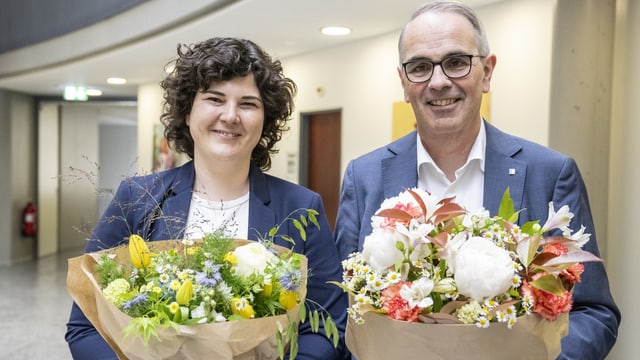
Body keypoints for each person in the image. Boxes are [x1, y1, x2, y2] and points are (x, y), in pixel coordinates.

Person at [334, 2, 620, 359]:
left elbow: (593, 312)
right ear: (405, 84)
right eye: (420, 67)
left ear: (487, 72)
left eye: (456, 62)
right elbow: (339, 312)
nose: (438, 82)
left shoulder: (550, 173)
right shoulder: (364, 176)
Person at [66, 37, 348, 360]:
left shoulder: (301, 208)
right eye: (215, 99)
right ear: (187, 112)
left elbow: (327, 328)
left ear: (264, 120)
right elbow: (85, 326)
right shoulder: (137, 199)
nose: (230, 116)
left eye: (248, 103)